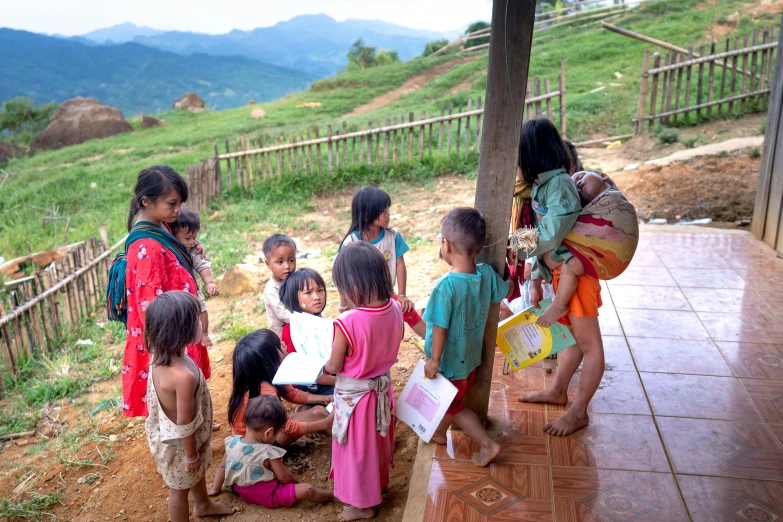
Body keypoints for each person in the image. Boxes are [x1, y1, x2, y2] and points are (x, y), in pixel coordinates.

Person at [514, 118, 607, 436]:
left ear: (532, 155)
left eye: (519, 157)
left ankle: (579, 412)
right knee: (576, 343)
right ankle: (558, 391)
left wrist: (512, 245)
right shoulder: (544, 184)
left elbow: (551, 235)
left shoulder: (560, 185)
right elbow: (547, 245)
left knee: (590, 346)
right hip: (561, 276)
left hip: (577, 279)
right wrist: (537, 280)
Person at [422, 208, 513, 467]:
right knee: (455, 399)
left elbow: (439, 327)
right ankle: (440, 433)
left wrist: (434, 360)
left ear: (446, 245)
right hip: (472, 358)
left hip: (449, 362)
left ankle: (488, 444)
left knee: (455, 407)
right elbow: (505, 290)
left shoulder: (445, 287)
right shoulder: (485, 274)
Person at [119, 165, 210, 417]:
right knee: (174, 388)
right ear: (146, 201)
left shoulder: (163, 225)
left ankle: (195, 421)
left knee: (188, 383)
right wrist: (170, 343)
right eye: (172, 203)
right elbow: (149, 304)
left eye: (180, 203)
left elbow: (178, 248)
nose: (178, 210)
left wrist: (194, 247)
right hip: (170, 333)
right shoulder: (145, 246)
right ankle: (183, 436)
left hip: (180, 322)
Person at [326, 242, 403, 521]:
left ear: (351, 285)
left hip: (356, 403)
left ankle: (363, 505)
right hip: (382, 394)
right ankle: (378, 486)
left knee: (357, 453)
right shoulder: (395, 308)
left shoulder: (347, 322)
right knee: (377, 445)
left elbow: (334, 366)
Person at [143, 291, 235, 522]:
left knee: (196, 471)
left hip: (179, 440)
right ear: (179, 330)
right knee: (179, 488)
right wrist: (191, 454)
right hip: (180, 446)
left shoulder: (161, 354)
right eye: (196, 319)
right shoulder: (181, 376)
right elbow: (183, 423)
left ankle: (203, 504)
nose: (201, 321)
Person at [207, 395, 333, 508]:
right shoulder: (269, 452)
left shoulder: (232, 442)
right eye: (278, 433)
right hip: (268, 495)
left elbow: (222, 467)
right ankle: (331, 495)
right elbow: (284, 478)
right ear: (269, 433)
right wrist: (297, 483)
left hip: (242, 492)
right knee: (308, 490)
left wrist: (215, 488)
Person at [339, 186, 426, 338]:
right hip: (361, 299)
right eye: (383, 210)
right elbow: (343, 278)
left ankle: (436, 345)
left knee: (407, 310)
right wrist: (345, 306)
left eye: (388, 209)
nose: (388, 214)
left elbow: (400, 264)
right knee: (366, 330)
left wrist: (403, 295)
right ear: (367, 215)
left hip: (386, 293)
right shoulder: (350, 243)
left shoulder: (392, 237)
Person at [225, 329, 333, 447]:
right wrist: (324, 424)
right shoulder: (265, 391)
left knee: (314, 412)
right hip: (257, 447)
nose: (283, 343)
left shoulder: (266, 375)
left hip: (266, 433)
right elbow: (289, 428)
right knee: (318, 413)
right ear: (269, 359)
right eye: (278, 345)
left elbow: (292, 394)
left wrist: (327, 398)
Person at [279, 268, 336, 396]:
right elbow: (305, 372)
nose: (316, 297)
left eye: (320, 290)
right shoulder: (292, 330)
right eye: (308, 292)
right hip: (308, 386)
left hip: (329, 380)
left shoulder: (325, 324)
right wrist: (341, 382)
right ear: (294, 298)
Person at [170, 209, 220, 347]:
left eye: (194, 237)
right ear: (173, 234)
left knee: (201, 308)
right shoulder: (169, 246)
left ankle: (204, 333)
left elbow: (202, 265)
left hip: (191, 289)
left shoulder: (193, 249)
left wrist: (209, 282)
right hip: (174, 292)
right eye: (187, 238)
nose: (192, 242)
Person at [262, 234, 297, 338]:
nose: (287, 266)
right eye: (280, 262)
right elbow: (282, 313)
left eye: (291, 260)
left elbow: (302, 303)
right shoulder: (271, 289)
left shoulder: (295, 280)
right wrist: (303, 321)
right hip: (281, 337)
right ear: (268, 264)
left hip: (297, 330)